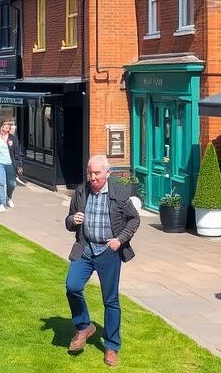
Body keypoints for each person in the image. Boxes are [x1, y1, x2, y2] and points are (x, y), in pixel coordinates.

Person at [64, 155, 139, 367]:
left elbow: (135, 219)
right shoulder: (80, 192)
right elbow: (68, 221)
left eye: (97, 173)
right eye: (90, 173)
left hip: (109, 252)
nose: (92, 177)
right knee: (72, 286)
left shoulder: (120, 193)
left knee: (111, 300)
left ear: (108, 173)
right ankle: (83, 327)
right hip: (85, 249)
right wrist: (73, 220)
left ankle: (112, 346)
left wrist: (120, 240)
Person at [0, 119, 23, 212]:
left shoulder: (13, 138)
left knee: (11, 184)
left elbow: (17, 153)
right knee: (1, 183)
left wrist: (19, 165)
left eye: (8, 126)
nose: (6, 127)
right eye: (5, 125)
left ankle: (9, 198)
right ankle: (1, 203)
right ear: (1, 126)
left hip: (10, 164)